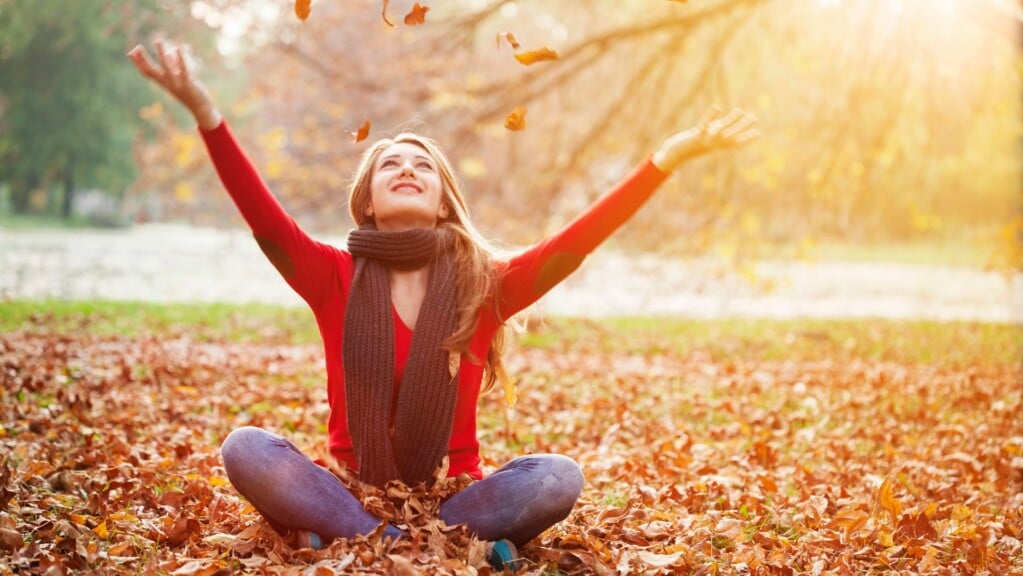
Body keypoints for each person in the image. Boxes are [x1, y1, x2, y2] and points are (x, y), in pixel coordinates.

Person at [127, 39, 759, 571]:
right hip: (352, 489)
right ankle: (440, 549)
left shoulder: (485, 284)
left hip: (457, 494)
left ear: (442, 200)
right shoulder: (332, 276)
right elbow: (261, 215)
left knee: (557, 476)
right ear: (368, 201)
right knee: (245, 447)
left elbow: (577, 242)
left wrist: (665, 160)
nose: (407, 168)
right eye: (390, 164)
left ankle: (359, 542)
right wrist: (207, 112)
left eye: (421, 165)